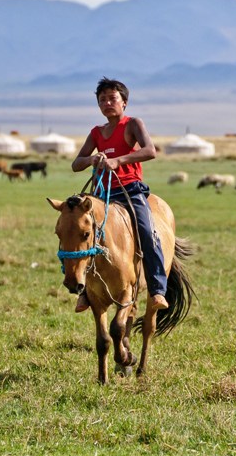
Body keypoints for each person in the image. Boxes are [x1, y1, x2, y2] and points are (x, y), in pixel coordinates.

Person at [71, 77, 169, 313]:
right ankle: (85, 291)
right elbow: (76, 164)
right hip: (102, 194)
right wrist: (92, 159)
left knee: (148, 232)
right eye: (102, 99)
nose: (107, 103)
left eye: (112, 98)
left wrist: (119, 160)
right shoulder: (96, 133)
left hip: (130, 191)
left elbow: (150, 151)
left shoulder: (133, 124)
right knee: (78, 232)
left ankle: (157, 291)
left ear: (124, 102)